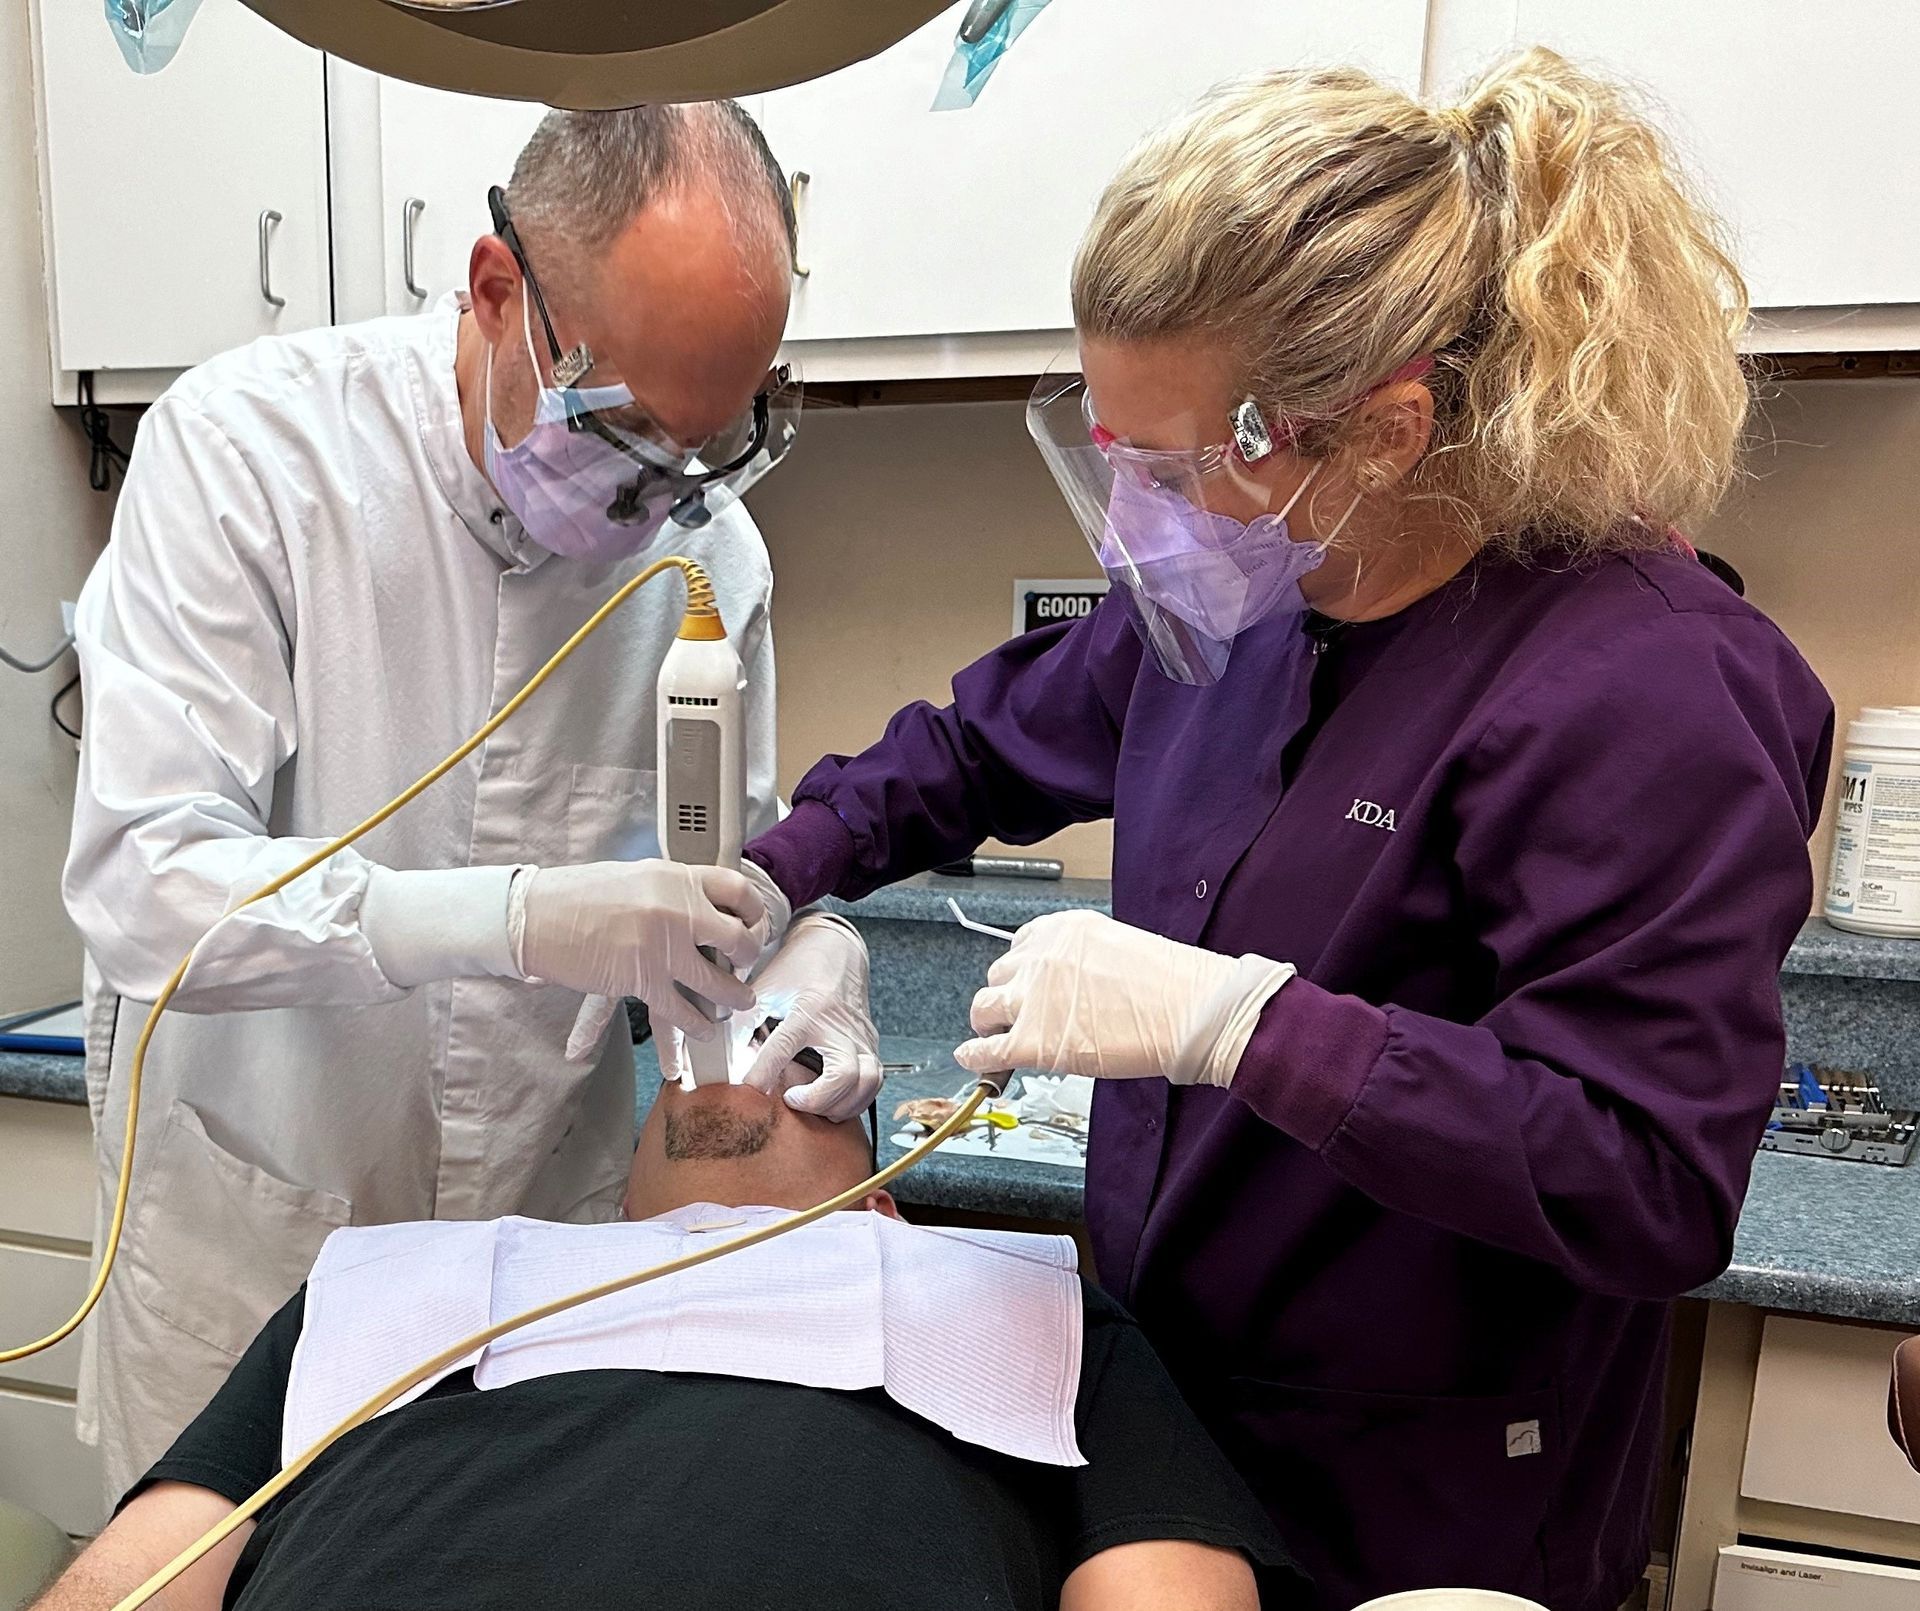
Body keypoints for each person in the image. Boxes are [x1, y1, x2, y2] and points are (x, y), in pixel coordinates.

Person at [734, 49, 1835, 1611]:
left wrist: (1242, 1024)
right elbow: (976, 748)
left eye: (1175, 470)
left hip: (1433, 1492)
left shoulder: (1641, 686)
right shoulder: (1237, 600)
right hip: (1176, 1414)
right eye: (1112, 457)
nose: (1136, 532)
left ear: (1382, 431)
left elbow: (1646, 1179)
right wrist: (775, 872)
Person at [58, 102, 879, 1504]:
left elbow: (711, 895)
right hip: (263, 1252)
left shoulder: (710, 555)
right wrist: (518, 917)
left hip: (535, 1269)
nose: (669, 494)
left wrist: (799, 951)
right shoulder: (252, 457)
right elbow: (148, 886)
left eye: (718, 441)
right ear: (498, 290)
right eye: (624, 428)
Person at [29, 1077, 1302, 1611]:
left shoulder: (1007, 1297)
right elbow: (141, 1574)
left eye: (812, 1085)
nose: (737, 1076)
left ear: (883, 1194)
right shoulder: (411, 1281)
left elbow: (1168, 1593)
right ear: (619, 1197)